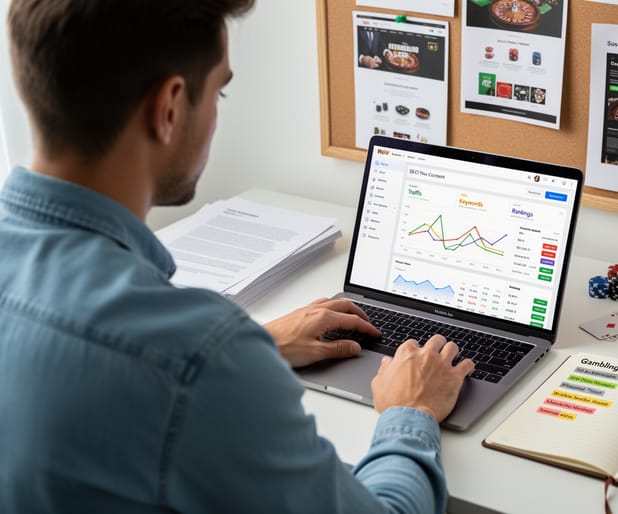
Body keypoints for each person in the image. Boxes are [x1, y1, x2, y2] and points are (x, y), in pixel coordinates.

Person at [0, 2, 475, 513]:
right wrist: (411, 411)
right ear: (169, 108)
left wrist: (258, 345)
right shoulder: (196, 355)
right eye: (219, 92)